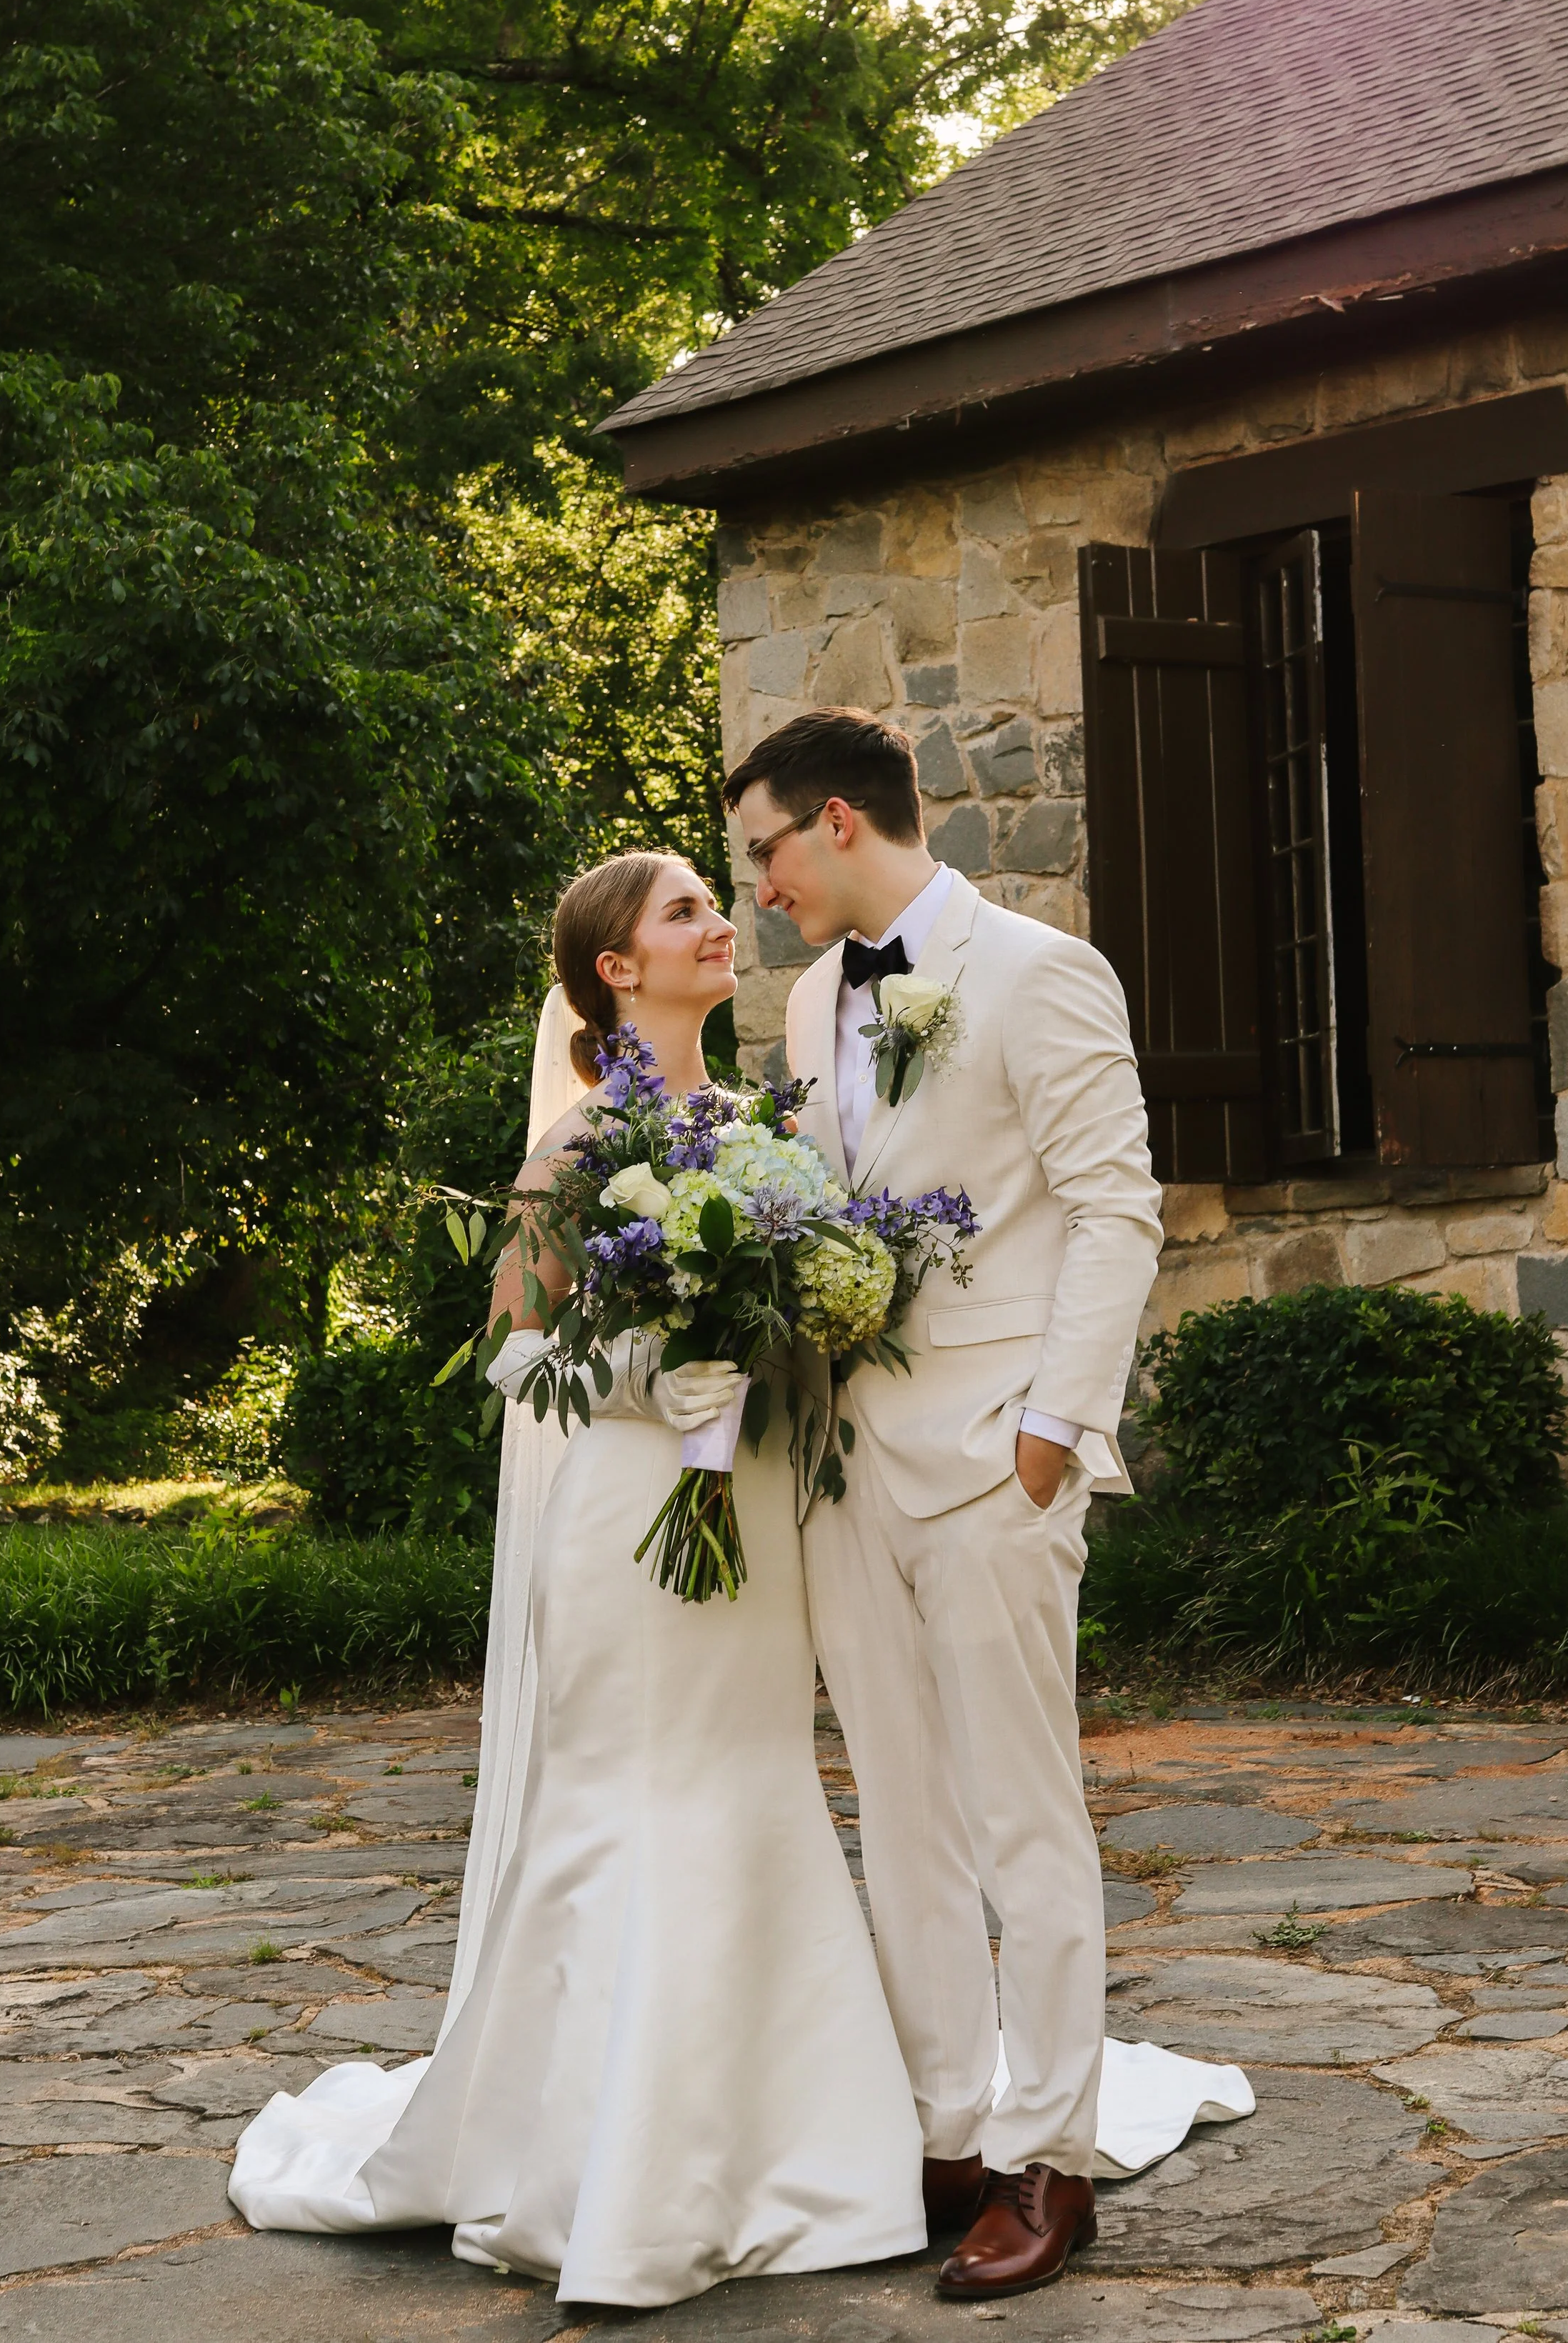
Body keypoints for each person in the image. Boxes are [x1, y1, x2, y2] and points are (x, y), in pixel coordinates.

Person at [227, 849, 926, 2306]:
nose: (714, 925)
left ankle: (784, 2140)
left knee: (749, 1784)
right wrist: (644, 1377)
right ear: (614, 968)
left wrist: (787, 1345)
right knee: (635, 1797)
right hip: (624, 1512)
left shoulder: (756, 1134)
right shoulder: (572, 1149)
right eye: (681, 913)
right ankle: (603, 2161)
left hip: (744, 1513)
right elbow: (517, 1357)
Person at [724, 708, 1164, 2302]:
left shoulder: (1037, 972)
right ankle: (947, 2130)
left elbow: (1116, 1212)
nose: (758, 886)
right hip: (843, 1471)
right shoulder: (797, 1004)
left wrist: (1048, 1438)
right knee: (896, 1813)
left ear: (836, 822)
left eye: (765, 850)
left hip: (990, 1458)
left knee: (1015, 1815)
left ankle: (1054, 2158)